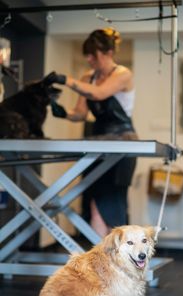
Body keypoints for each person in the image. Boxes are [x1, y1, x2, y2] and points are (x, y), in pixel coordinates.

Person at [49, 28, 138, 237]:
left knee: (112, 206)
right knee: (94, 206)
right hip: (97, 142)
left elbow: (99, 93)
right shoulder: (88, 77)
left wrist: (66, 80)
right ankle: (101, 263)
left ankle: (119, 263)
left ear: (107, 52)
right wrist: (63, 113)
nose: (89, 59)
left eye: (92, 54)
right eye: (86, 54)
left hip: (122, 143)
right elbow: (80, 113)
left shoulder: (123, 75)